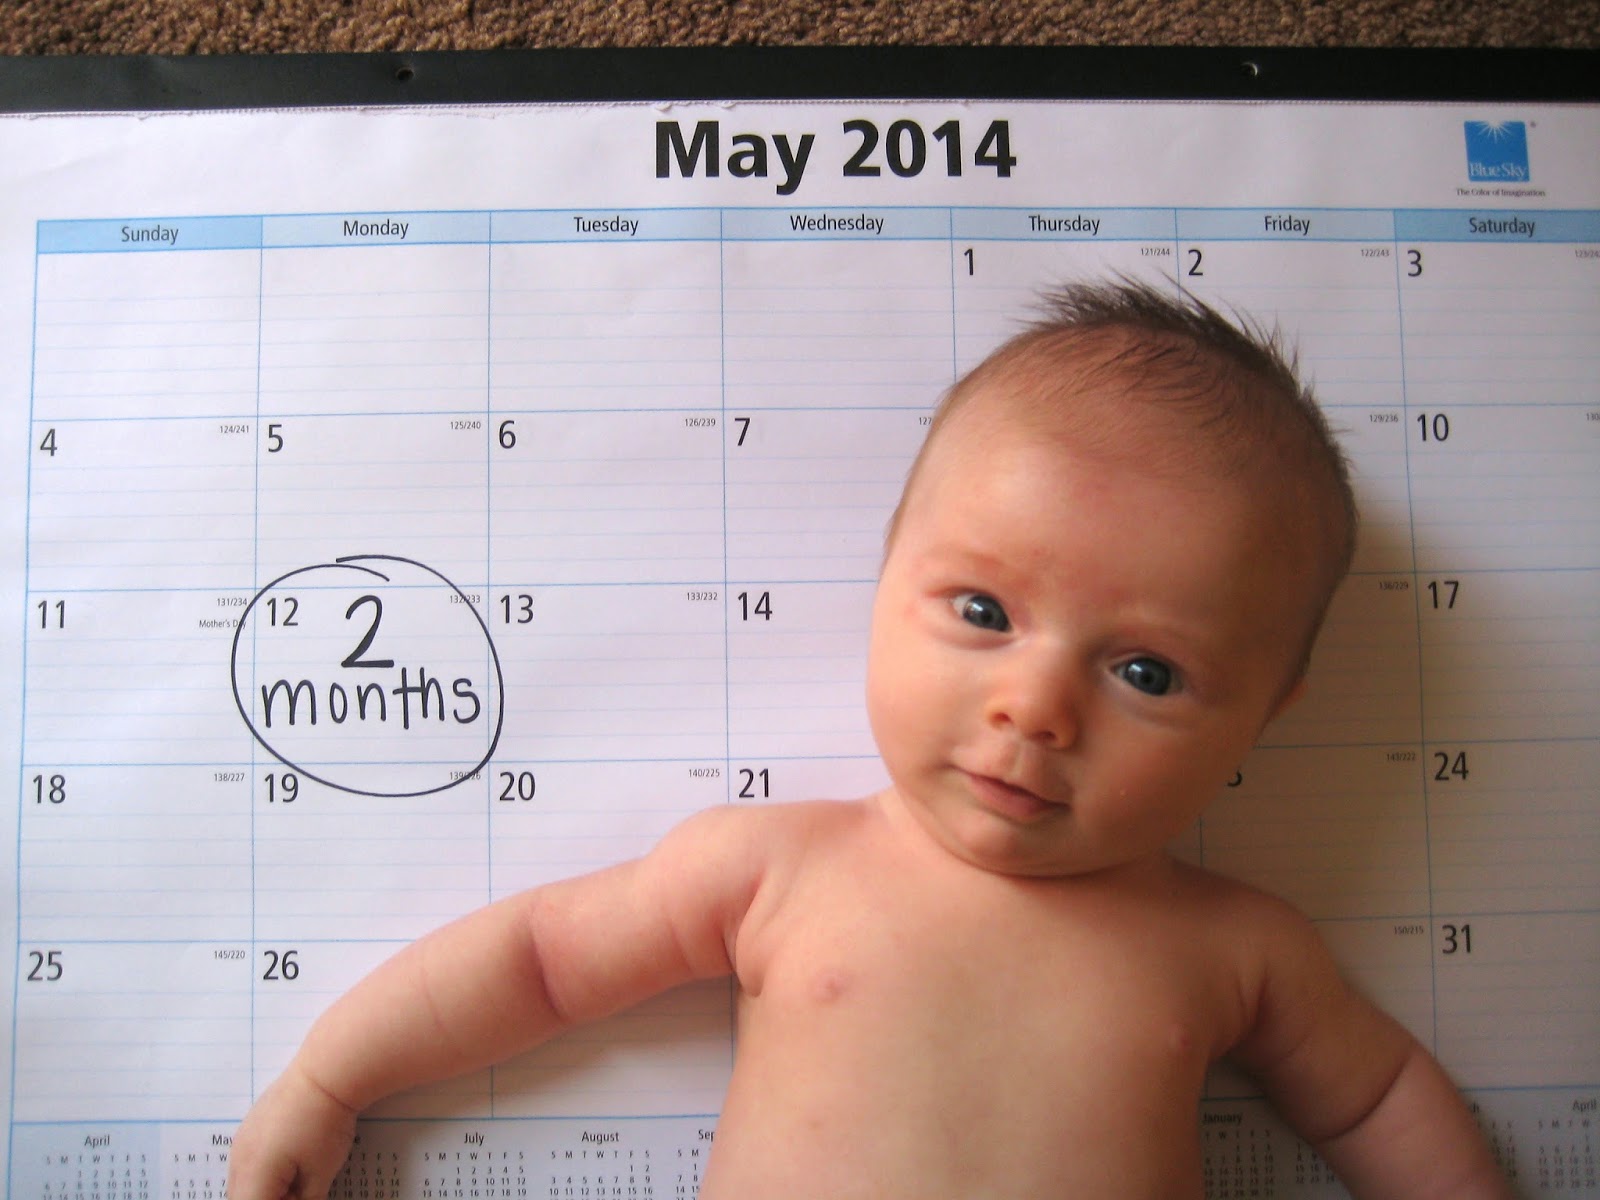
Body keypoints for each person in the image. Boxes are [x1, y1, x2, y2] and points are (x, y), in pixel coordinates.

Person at [228, 279, 1512, 1200]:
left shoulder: (1237, 949)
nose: (1035, 710)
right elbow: (542, 959)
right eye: (983, 612)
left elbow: (1375, 1096)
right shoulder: (780, 869)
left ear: (1266, 711)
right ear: (886, 572)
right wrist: (331, 1081)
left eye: (1146, 672)